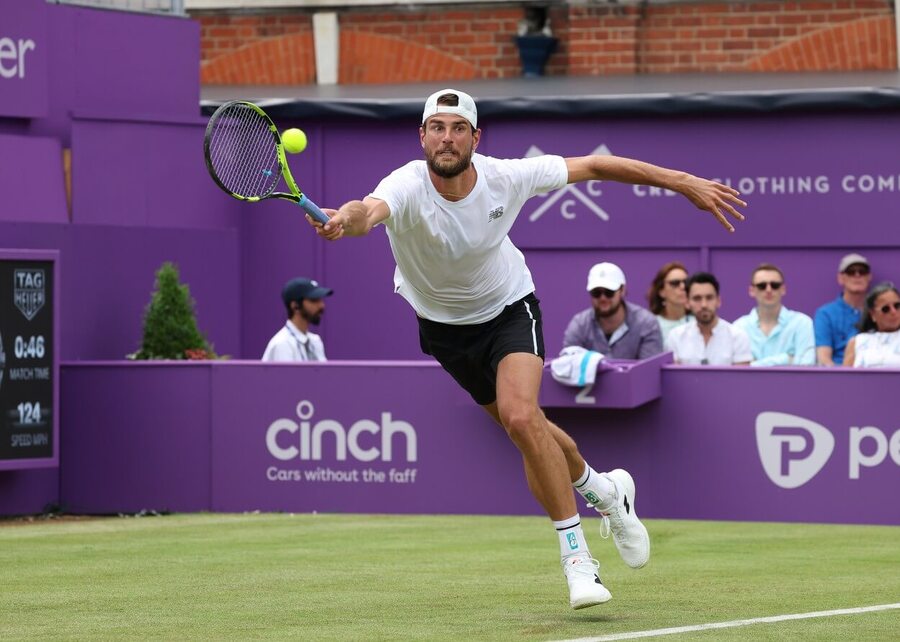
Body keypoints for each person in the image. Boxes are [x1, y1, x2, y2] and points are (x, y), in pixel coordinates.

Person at [306, 88, 746, 609]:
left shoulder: (505, 176)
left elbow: (597, 166)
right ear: (422, 136)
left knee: (519, 417)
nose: (447, 138)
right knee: (528, 430)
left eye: (457, 128)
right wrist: (345, 222)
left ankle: (578, 562)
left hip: (510, 309)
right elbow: (366, 212)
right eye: (437, 127)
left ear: (475, 137)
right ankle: (606, 493)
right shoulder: (404, 185)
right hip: (445, 330)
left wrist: (682, 181)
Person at [562, 262, 663, 360]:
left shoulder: (646, 323)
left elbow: (649, 371)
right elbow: (568, 367)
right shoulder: (580, 324)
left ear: (622, 290)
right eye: (596, 293)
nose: (603, 298)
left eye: (609, 292)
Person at [733, 263, 815, 366]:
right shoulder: (739, 327)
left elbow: (806, 366)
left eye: (775, 285)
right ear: (752, 291)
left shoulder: (802, 323)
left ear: (783, 289)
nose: (768, 290)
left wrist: (754, 364)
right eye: (762, 286)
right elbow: (738, 371)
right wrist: (786, 359)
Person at [666, 272, 752, 366]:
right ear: (687, 303)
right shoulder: (676, 337)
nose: (704, 305)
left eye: (709, 298)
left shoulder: (738, 337)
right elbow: (674, 378)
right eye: (697, 298)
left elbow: (741, 379)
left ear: (718, 301)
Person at [814, 253, 873, 366]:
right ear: (841, 278)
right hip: (837, 376)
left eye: (862, 271)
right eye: (851, 271)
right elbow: (823, 359)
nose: (857, 275)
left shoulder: (882, 311)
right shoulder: (825, 314)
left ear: (869, 277)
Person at [261, 277, 333, 362]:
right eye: (314, 300)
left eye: (320, 300)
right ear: (295, 306)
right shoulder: (282, 344)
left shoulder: (315, 341)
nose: (321, 305)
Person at [842, 282, 900, 368]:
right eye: (886, 309)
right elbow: (844, 378)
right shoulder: (857, 342)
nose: (893, 312)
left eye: (897, 306)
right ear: (873, 314)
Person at [646, 261, 690, 344]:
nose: (683, 287)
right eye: (675, 283)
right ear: (661, 291)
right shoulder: (651, 326)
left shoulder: (699, 322)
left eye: (686, 282)